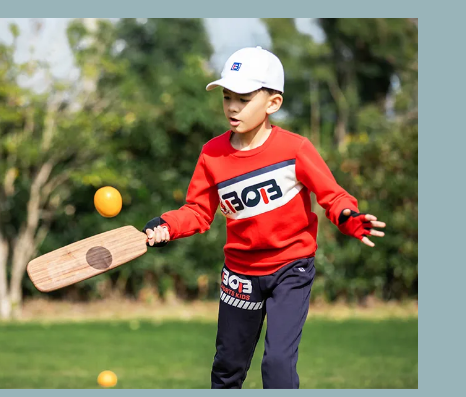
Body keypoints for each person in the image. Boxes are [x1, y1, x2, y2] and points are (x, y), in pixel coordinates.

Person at [142, 46, 386, 389]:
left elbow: (332, 195)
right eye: (227, 97)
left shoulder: (295, 149)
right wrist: (166, 226)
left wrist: (349, 216)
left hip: (291, 268)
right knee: (228, 367)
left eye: (243, 98)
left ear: (273, 103)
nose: (232, 106)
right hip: (240, 273)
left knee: (278, 364)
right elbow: (198, 212)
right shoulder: (212, 154)